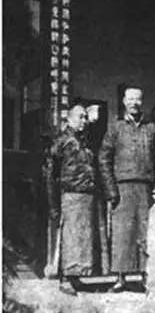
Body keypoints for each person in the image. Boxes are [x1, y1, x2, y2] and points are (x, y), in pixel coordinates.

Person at [98, 87, 155, 292]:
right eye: (130, 99)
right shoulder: (115, 129)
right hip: (122, 188)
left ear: (142, 102)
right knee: (122, 233)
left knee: (146, 233)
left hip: (146, 189)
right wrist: (111, 189)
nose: (134, 103)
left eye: (138, 99)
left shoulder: (152, 129)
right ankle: (121, 278)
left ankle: (146, 276)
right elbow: (103, 159)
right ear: (124, 102)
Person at [45, 105, 118, 296]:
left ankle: (88, 278)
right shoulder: (60, 143)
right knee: (72, 238)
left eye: (85, 117)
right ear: (69, 120)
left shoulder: (87, 143)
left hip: (90, 197)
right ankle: (67, 278)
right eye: (80, 117)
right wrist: (53, 206)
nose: (83, 121)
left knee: (89, 240)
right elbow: (50, 176)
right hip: (72, 197)